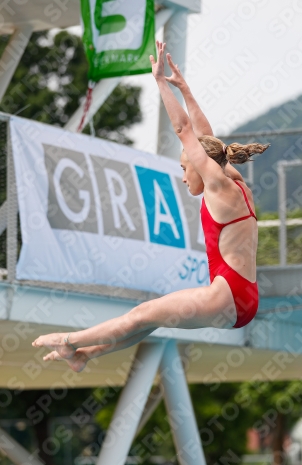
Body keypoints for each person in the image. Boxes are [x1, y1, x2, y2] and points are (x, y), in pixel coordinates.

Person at [32, 41, 270, 372]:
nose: (184, 177)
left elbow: (185, 130)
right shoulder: (234, 182)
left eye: (184, 168)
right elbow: (206, 137)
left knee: (145, 313)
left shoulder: (218, 186)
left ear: (201, 166)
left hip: (228, 294)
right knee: (150, 318)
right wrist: (185, 89)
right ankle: (85, 355)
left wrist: (160, 81)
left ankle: (71, 341)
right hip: (240, 294)